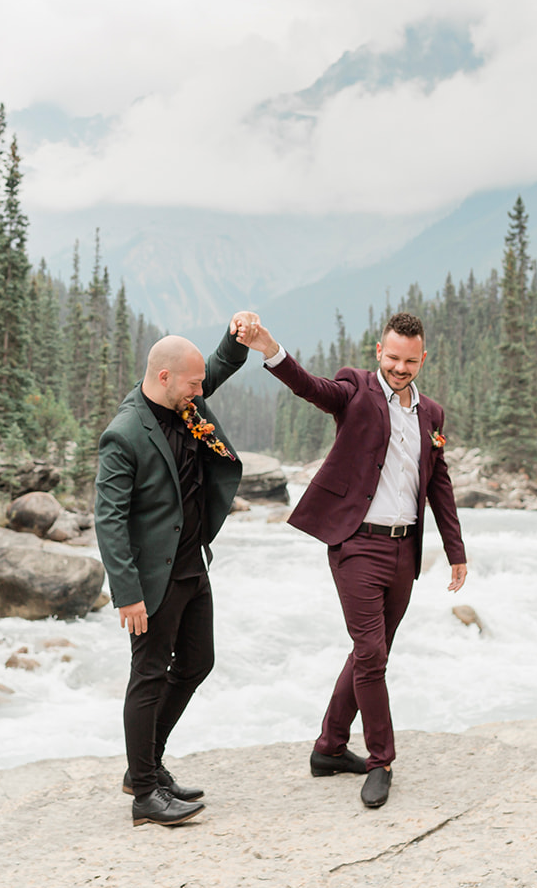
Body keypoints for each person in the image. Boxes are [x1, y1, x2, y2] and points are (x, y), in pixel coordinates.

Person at [235, 310, 467, 810]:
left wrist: (455, 551)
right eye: (392, 358)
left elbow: (439, 483)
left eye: (410, 361)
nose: (400, 368)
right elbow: (311, 387)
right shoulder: (355, 390)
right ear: (377, 353)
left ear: (422, 359)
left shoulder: (432, 414)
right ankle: (381, 760)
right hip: (357, 544)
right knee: (372, 654)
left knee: (370, 653)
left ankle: (329, 748)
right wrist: (269, 348)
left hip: (405, 550)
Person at [94, 325, 248, 826]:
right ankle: (144, 794)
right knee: (148, 674)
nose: (201, 392)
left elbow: (215, 371)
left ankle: (146, 767)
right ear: (164, 377)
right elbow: (109, 518)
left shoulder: (186, 403)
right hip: (152, 579)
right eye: (192, 384)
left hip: (192, 564)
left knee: (197, 663)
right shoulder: (124, 434)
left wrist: (236, 337)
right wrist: (127, 594)